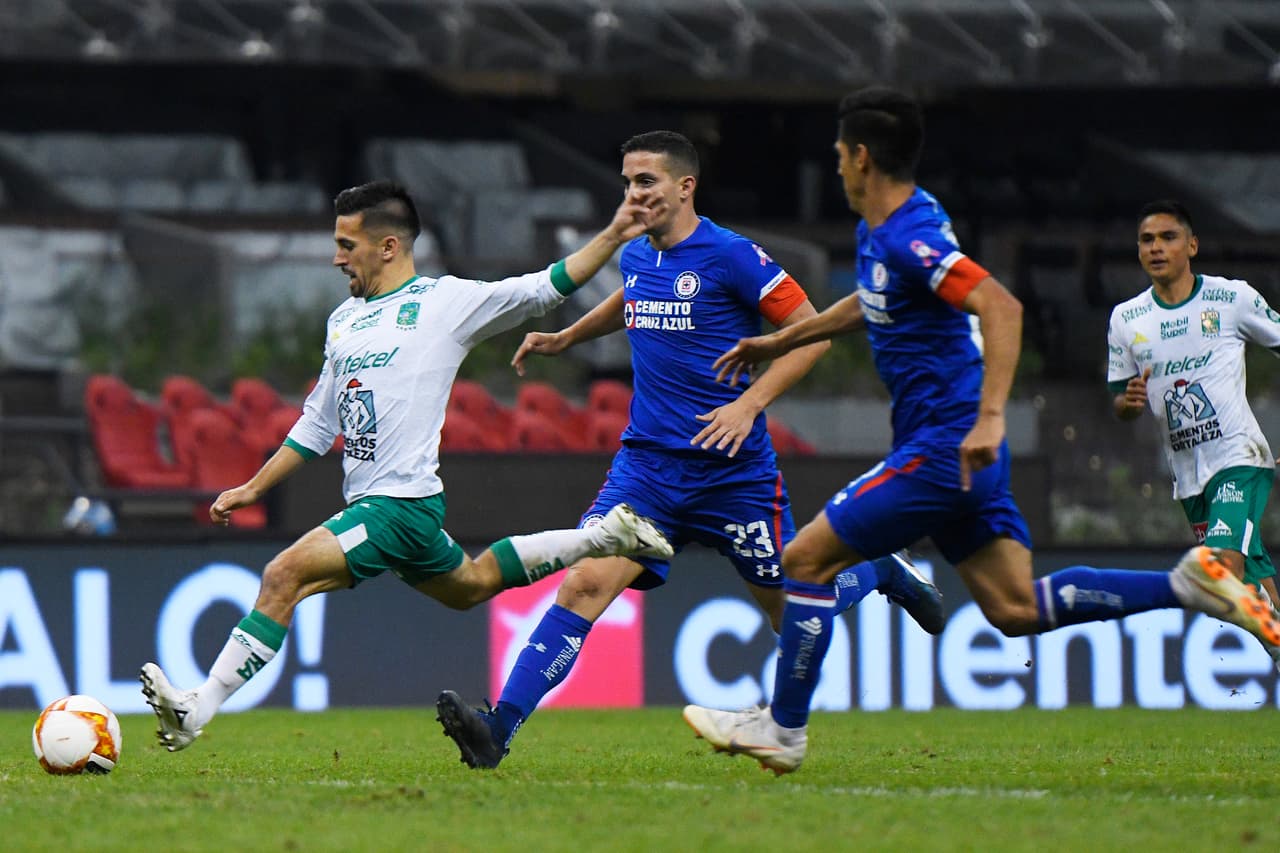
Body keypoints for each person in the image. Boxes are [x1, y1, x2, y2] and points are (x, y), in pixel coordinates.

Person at [681, 86, 1280, 775]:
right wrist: (782, 341)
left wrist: (992, 415)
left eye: (842, 156)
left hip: (944, 446)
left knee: (804, 561)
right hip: (965, 453)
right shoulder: (895, 224)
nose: (838, 167)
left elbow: (1001, 306)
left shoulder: (911, 233)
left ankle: (782, 727)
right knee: (1015, 605)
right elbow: (873, 298)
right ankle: (1185, 587)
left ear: (862, 158)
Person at [435, 130, 945, 770]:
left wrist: (748, 403)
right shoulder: (637, 254)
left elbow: (812, 335)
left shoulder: (734, 257)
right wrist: (568, 336)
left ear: (685, 186)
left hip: (733, 474)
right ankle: (497, 731)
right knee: (585, 584)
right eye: (626, 183)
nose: (633, 194)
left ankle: (879, 571)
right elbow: (634, 301)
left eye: (645, 182)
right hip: (646, 468)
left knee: (793, 610)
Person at [139, 180, 675, 752]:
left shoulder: (444, 304)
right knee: (471, 585)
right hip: (396, 509)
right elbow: (318, 425)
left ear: (388, 246)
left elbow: (546, 287)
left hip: (396, 507)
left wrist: (616, 233)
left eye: (348, 243)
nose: (336, 257)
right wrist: (252, 486)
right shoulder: (343, 320)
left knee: (281, 576)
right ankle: (603, 538)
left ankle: (196, 710)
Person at [1110, 200, 1280, 609]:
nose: (1156, 248)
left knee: (1222, 568)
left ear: (1192, 246)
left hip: (1239, 458)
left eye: (1168, 237)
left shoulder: (1231, 298)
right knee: (1253, 592)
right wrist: (1128, 403)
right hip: (1188, 475)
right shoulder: (1126, 318)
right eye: (1147, 240)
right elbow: (1121, 401)